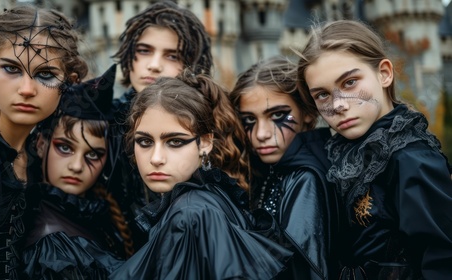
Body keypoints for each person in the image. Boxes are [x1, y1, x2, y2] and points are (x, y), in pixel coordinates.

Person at [296, 19, 452, 279]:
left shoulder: (411, 158)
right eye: (322, 94)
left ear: (384, 73)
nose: (338, 105)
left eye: (349, 83)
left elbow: (442, 261)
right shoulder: (341, 155)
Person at [110, 70, 292, 279]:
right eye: (145, 142)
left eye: (175, 142)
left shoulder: (190, 214)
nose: (156, 158)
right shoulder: (205, 200)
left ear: (205, 142)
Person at [0, 5, 88, 279]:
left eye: (45, 74)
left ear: (68, 83)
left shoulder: (39, 151)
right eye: (11, 69)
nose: (26, 90)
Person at [110, 0, 214, 249]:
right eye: (144, 50)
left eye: (172, 55)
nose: (154, 65)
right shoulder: (104, 121)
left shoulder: (218, 122)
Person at [229, 55, 340, 280]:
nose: (261, 134)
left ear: (308, 113)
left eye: (278, 116)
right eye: (249, 120)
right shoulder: (273, 170)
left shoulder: (305, 178)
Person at [20, 64, 131, 279]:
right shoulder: (50, 240)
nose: (76, 166)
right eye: (65, 148)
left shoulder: (100, 211)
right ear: (41, 145)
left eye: (93, 155)